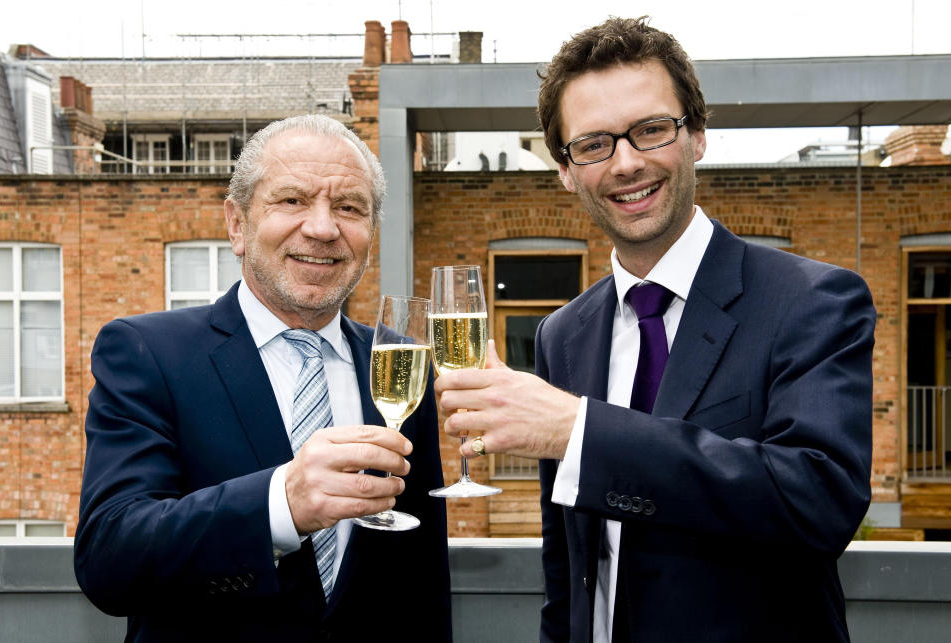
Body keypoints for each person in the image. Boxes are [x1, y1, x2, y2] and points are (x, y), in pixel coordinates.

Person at [434, 16, 875, 643]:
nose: (627, 163)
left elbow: (821, 502)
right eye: (593, 145)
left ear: (696, 135)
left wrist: (579, 431)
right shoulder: (564, 334)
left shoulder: (812, 300)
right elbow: (570, 569)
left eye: (650, 130)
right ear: (565, 170)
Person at [74, 114, 452, 642]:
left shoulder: (400, 362)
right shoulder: (146, 352)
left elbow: (422, 575)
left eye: (349, 208)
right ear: (237, 225)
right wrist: (281, 504)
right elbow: (109, 557)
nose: (323, 228)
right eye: (293, 200)